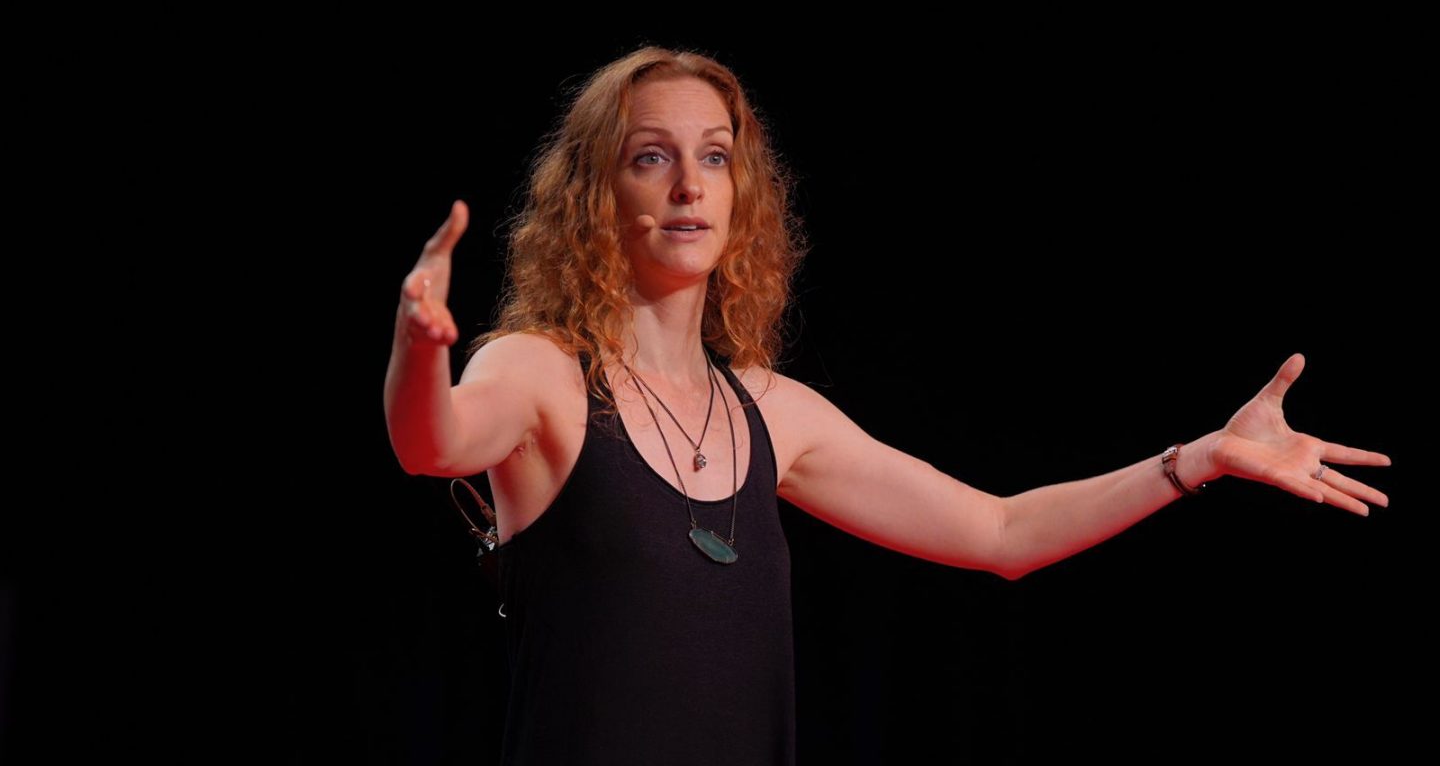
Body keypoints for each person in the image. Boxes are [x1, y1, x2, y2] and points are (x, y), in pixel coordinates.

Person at [382, 46, 1392, 765]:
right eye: (651, 154)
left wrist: (1200, 458)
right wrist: (418, 352)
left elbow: (1002, 531)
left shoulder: (775, 414)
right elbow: (434, 445)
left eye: (716, 154)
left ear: (743, 196)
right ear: (599, 191)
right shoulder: (541, 372)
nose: (689, 182)